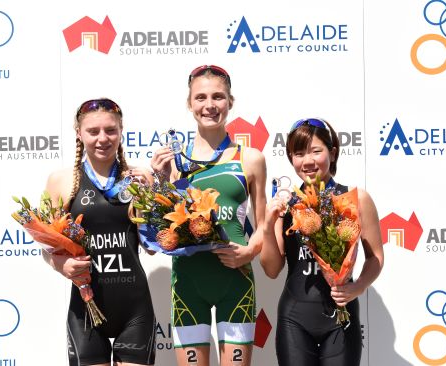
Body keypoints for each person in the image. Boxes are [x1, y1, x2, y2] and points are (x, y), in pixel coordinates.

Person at [150, 65, 267, 366]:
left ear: (231, 101)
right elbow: (164, 227)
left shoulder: (251, 158)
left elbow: (264, 222)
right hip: (188, 284)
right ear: (189, 104)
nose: (209, 105)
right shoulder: (175, 161)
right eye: (200, 97)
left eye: (218, 96)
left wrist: (251, 250)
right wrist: (162, 181)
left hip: (236, 280)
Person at [260, 118, 384, 366]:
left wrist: (357, 288)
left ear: (333, 152)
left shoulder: (356, 198)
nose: (307, 161)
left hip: (341, 316)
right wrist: (266, 226)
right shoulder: (286, 203)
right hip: (294, 318)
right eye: (298, 153)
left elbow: (376, 258)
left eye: (316, 151)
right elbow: (272, 269)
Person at [42, 98, 156, 366]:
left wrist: (150, 198)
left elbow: (152, 246)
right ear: (79, 133)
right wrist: (61, 263)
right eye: (93, 131)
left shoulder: (138, 179)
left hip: (135, 309)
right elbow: (47, 246)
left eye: (110, 130)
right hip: (85, 310)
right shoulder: (62, 181)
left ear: (121, 131)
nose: (102, 139)